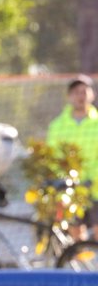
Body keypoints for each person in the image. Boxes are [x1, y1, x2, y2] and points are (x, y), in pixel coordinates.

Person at [46, 74, 98, 239]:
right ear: (69, 96)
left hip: (95, 188)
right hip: (68, 190)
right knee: (76, 235)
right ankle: (80, 263)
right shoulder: (57, 126)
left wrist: (92, 179)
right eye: (76, 92)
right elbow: (53, 158)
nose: (80, 96)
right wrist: (65, 179)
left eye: (84, 92)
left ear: (92, 95)